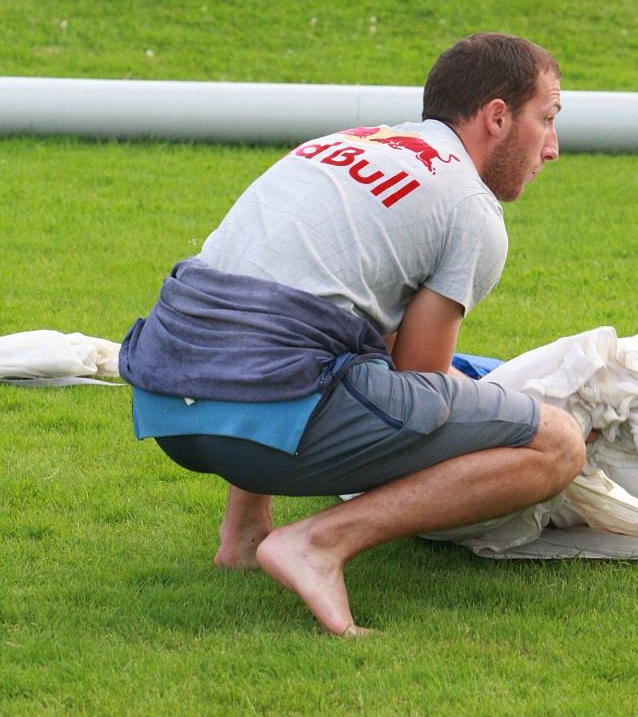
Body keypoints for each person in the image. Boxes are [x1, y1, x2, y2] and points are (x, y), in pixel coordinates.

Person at [119, 33, 585, 636]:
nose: (552, 148)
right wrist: (516, 403)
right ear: (498, 116)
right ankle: (318, 543)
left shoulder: (343, 143)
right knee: (558, 442)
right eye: (546, 120)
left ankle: (243, 533)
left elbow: (271, 290)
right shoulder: (470, 207)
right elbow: (420, 385)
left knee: (296, 327)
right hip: (257, 421)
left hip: (165, 405)